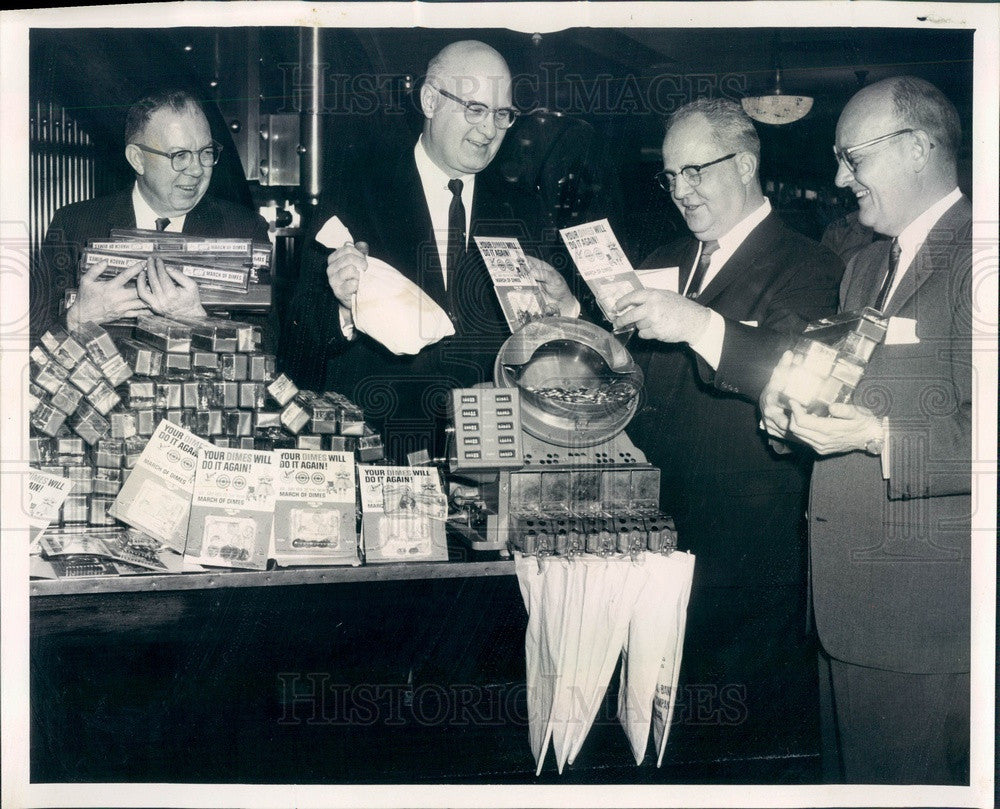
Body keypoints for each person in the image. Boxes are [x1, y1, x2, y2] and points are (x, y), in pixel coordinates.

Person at [609, 98, 844, 760]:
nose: (681, 190)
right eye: (671, 176)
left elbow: (793, 367)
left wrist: (697, 323)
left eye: (696, 172)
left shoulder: (812, 264)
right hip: (651, 540)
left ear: (744, 163)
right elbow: (631, 380)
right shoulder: (663, 255)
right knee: (648, 739)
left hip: (747, 558)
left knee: (732, 748)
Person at [758, 76, 971, 784]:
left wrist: (880, 435)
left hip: (927, 628)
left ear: (915, 148)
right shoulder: (862, 267)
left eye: (854, 158)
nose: (840, 178)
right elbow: (838, 396)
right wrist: (787, 417)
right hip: (843, 613)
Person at [283, 40, 575, 461]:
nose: (490, 129)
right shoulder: (357, 188)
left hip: (488, 455)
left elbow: (541, 354)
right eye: (475, 109)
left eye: (502, 114)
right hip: (378, 448)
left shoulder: (523, 208)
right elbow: (299, 331)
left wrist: (563, 312)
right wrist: (344, 310)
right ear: (430, 100)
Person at [32, 89, 270, 340]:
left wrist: (198, 319)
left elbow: (268, 344)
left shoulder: (245, 229)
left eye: (206, 152)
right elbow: (29, 340)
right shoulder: (74, 225)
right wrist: (75, 319)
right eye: (180, 155)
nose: (197, 170)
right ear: (137, 159)